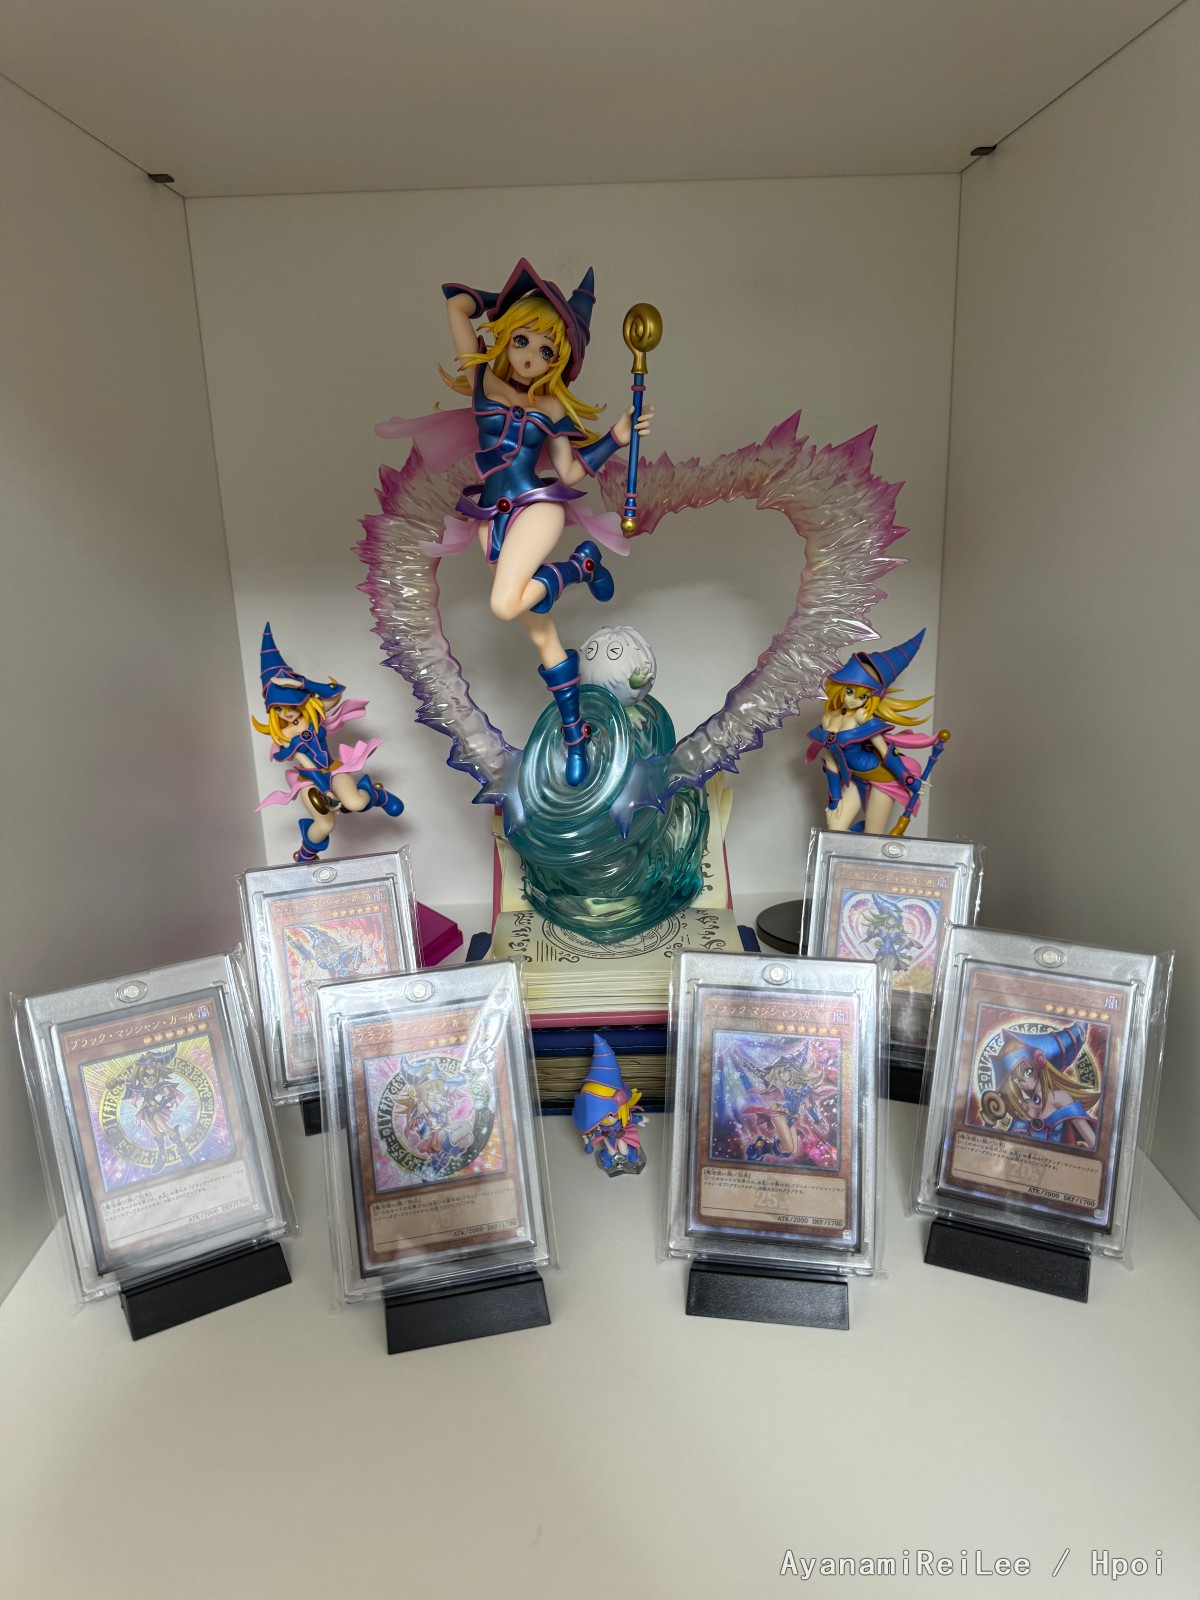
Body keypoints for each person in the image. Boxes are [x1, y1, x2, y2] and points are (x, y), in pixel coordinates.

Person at [377, 259, 652, 786]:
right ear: (505, 336)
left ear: (560, 361)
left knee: (505, 604)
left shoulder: (551, 406)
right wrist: (504, 304)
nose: (530, 356)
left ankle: (577, 566)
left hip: (538, 505)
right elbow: (455, 302)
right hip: (490, 515)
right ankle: (576, 735)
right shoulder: (482, 379)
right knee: (540, 632)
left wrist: (617, 437)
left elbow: (570, 471)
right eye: (522, 340)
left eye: (547, 350)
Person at [253, 623, 404, 862]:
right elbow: (300, 762)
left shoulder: (315, 714)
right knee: (325, 824)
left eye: (290, 706)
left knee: (354, 802)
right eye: (279, 709)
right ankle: (306, 853)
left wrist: (301, 684)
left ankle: (377, 795)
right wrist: (323, 788)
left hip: (333, 770)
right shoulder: (285, 734)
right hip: (308, 781)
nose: (286, 713)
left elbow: (335, 690)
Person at [806, 629, 942, 834]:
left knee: (873, 835)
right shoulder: (828, 717)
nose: (854, 700)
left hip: (882, 777)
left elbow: (886, 751)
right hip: (854, 777)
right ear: (840, 686)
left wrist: (908, 779)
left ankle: (864, 844)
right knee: (835, 828)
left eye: (863, 696)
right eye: (850, 692)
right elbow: (831, 759)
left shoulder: (863, 718)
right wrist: (834, 798)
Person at [979, 1022, 1100, 1148]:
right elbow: (1007, 1145)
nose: (1020, 1082)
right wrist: (989, 1124)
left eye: (1027, 1072)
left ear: (1039, 1065)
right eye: (1014, 1078)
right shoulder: (1024, 1106)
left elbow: (1092, 1141)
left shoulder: (1060, 1098)